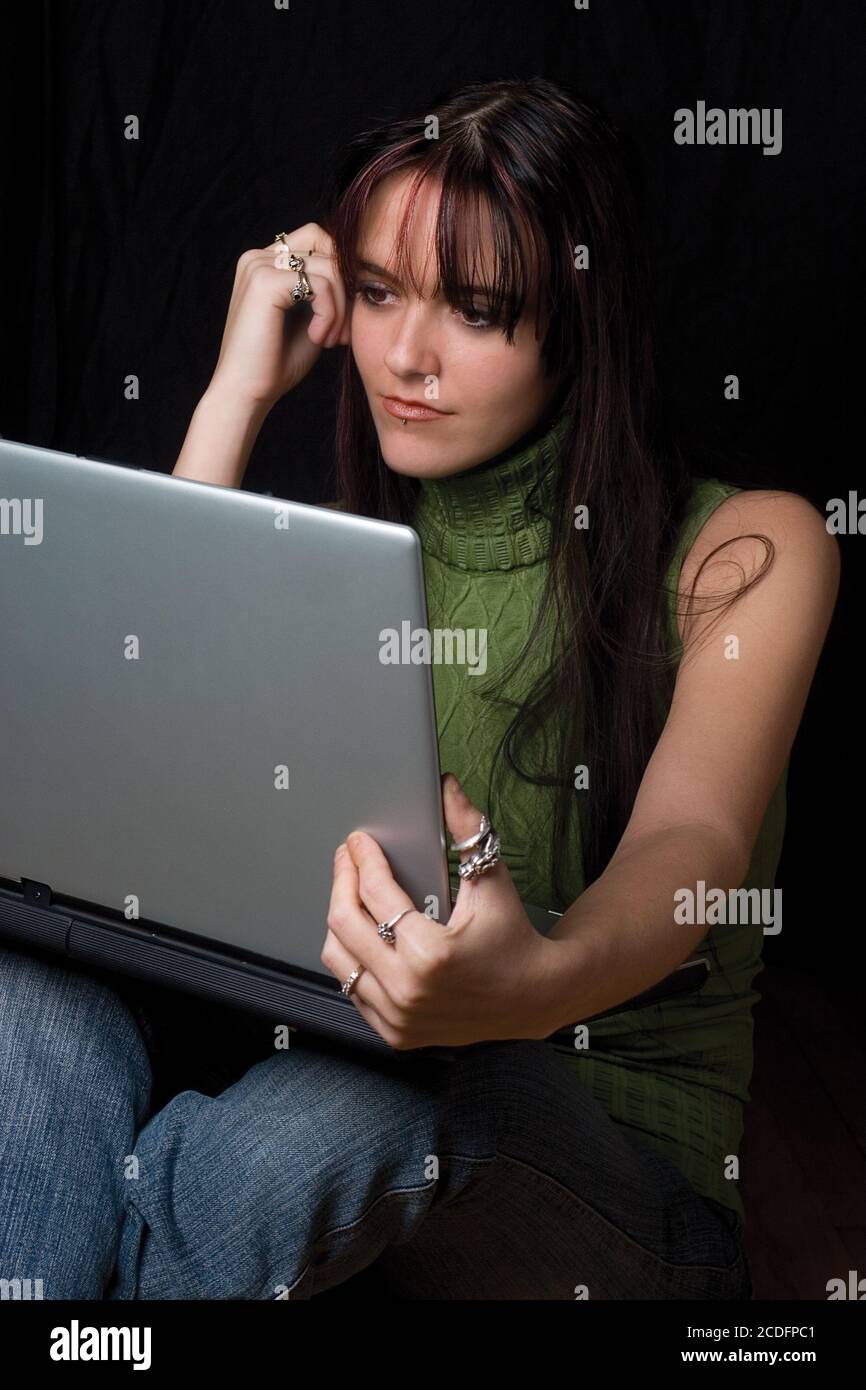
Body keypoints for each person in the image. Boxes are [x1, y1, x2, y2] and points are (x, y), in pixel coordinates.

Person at [0, 77, 838, 1301]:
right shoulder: (355, 563)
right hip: (309, 1094)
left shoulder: (748, 551)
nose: (402, 355)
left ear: (578, 322)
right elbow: (129, 802)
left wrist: (527, 985)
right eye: (381, 292)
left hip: (613, 1187)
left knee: (399, 1080)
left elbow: (690, 847)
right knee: (35, 987)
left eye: (477, 311)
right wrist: (235, 392)